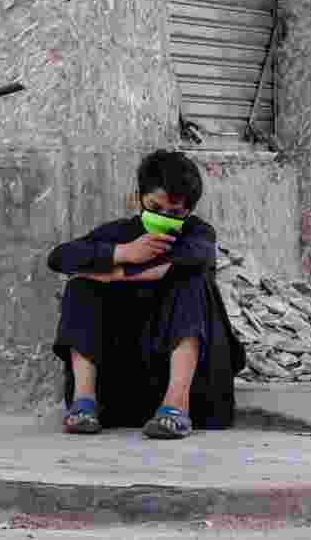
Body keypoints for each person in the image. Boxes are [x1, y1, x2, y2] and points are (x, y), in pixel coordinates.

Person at [48, 149, 246, 439]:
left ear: (188, 211)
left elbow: (182, 262)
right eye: (155, 207)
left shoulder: (197, 235)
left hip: (198, 393)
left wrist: (115, 272)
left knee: (191, 280)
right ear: (139, 199)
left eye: (174, 213)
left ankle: (176, 407)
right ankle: (84, 403)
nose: (163, 218)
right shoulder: (119, 233)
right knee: (81, 286)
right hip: (122, 386)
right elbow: (59, 257)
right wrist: (122, 251)